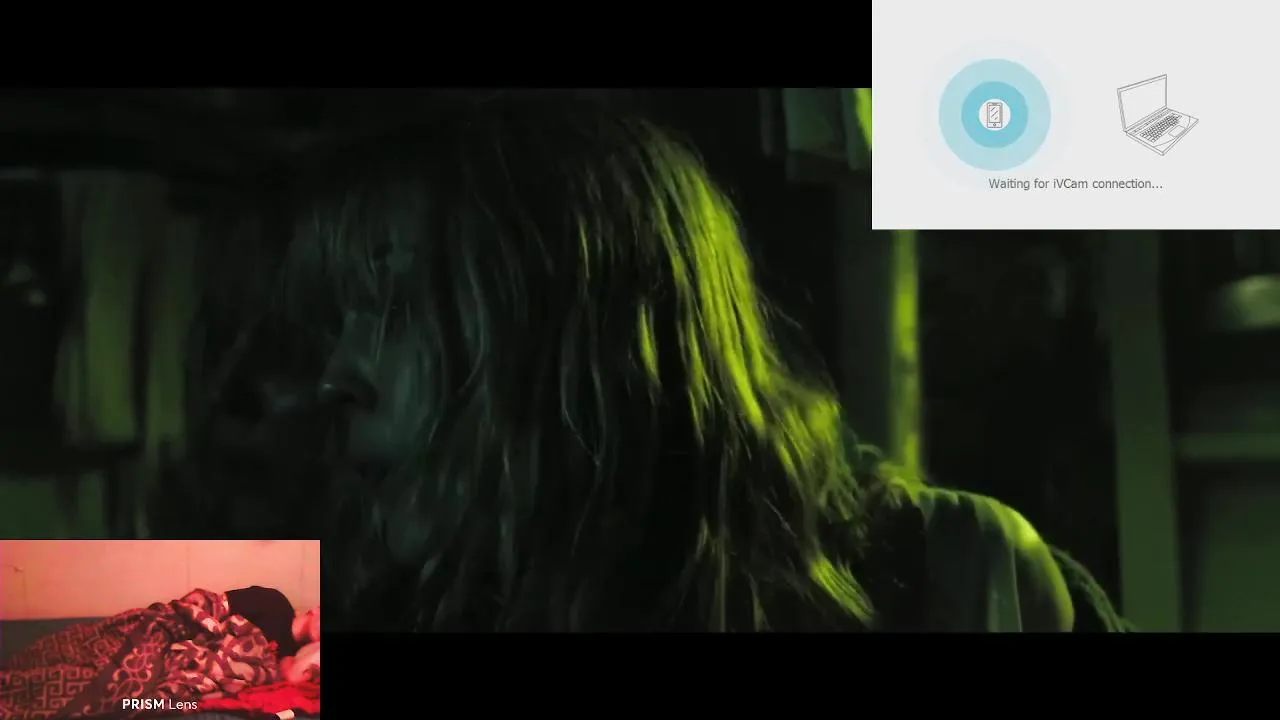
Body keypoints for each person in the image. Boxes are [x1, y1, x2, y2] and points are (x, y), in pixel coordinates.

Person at [175, 94, 1117, 631]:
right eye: (342, 320)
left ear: (570, 328)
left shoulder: (949, 576)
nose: (336, 372)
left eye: (393, 304)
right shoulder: (340, 598)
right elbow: (91, 666)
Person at [225, 586, 320, 674]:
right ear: (317, 609)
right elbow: (221, 605)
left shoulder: (294, 656)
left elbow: (293, 676)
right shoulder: (275, 602)